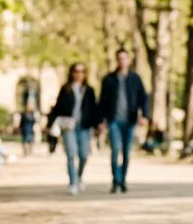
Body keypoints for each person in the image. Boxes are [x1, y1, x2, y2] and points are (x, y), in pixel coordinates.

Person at [96, 49, 149, 194]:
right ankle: (116, 180)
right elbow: (102, 102)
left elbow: (143, 98)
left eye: (124, 58)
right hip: (114, 121)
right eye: (119, 58)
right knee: (115, 150)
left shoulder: (135, 78)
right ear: (116, 60)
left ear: (129, 60)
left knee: (126, 152)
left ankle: (123, 180)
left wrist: (144, 115)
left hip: (130, 120)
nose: (122, 61)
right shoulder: (109, 79)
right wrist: (101, 120)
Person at [47, 63, 98, 195]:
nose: (79, 74)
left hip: (84, 127)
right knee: (71, 154)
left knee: (83, 155)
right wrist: (50, 124)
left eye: (82, 71)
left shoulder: (89, 90)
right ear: (72, 73)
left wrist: (97, 125)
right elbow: (57, 108)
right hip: (69, 126)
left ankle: (79, 176)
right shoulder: (66, 89)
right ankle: (73, 183)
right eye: (76, 71)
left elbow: (94, 109)